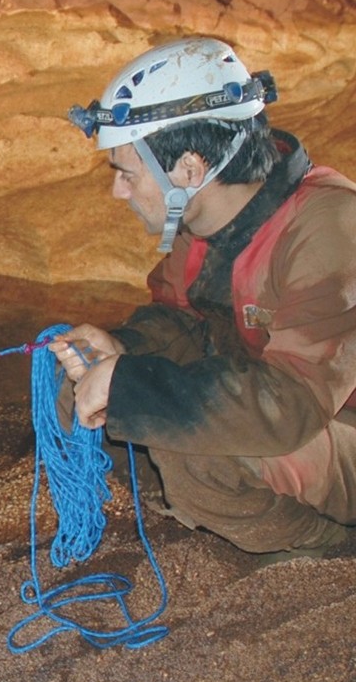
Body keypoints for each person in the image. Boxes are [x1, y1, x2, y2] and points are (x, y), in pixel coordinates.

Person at [52, 36, 356, 558]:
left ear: (189, 170)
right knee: (75, 393)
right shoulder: (205, 216)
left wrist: (133, 386)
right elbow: (182, 317)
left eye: (126, 173)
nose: (118, 192)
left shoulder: (330, 228)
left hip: (326, 414)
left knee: (193, 455)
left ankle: (329, 549)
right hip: (286, 398)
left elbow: (291, 404)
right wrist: (120, 347)